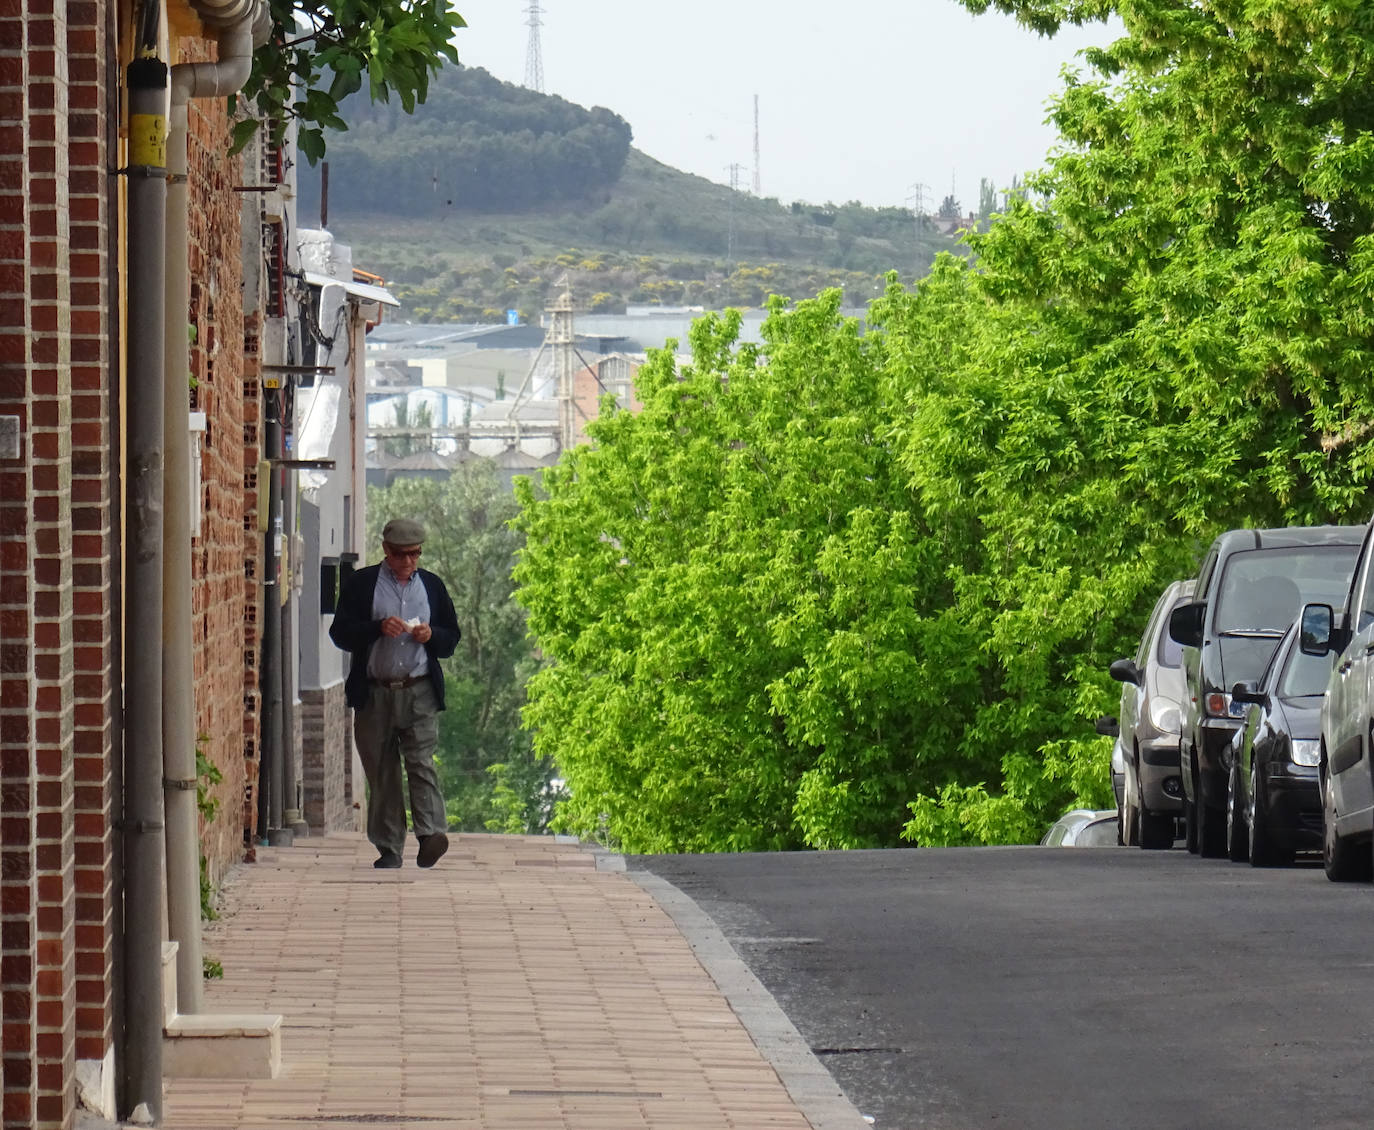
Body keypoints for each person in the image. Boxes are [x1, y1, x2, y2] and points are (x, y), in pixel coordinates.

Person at [329, 517, 461, 869]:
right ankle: (389, 847)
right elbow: (340, 633)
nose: (408, 562)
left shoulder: (431, 586)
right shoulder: (362, 585)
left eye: (415, 554)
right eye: (401, 555)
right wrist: (375, 628)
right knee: (382, 770)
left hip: (419, 689)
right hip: (374, 692)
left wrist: (432, 636)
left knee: (420, 762)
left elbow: (451, 637)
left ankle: (431, 834)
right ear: (386, 551)